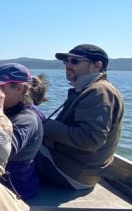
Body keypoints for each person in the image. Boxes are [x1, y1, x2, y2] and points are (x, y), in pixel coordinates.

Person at [36, 44, 124, 190]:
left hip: (70, 173)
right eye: (66, 61)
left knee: (11, 149)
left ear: (97, 65)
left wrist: (42, 124)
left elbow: (90, 141)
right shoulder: (89, 89)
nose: (68, 65)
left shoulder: (99, 92)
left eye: (75, 61)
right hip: (74, 167)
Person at [0, 63, 48, 200]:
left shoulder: (27, 119)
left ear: (19, 89)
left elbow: (1, 150)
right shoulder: (7, 110)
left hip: (14, 187)